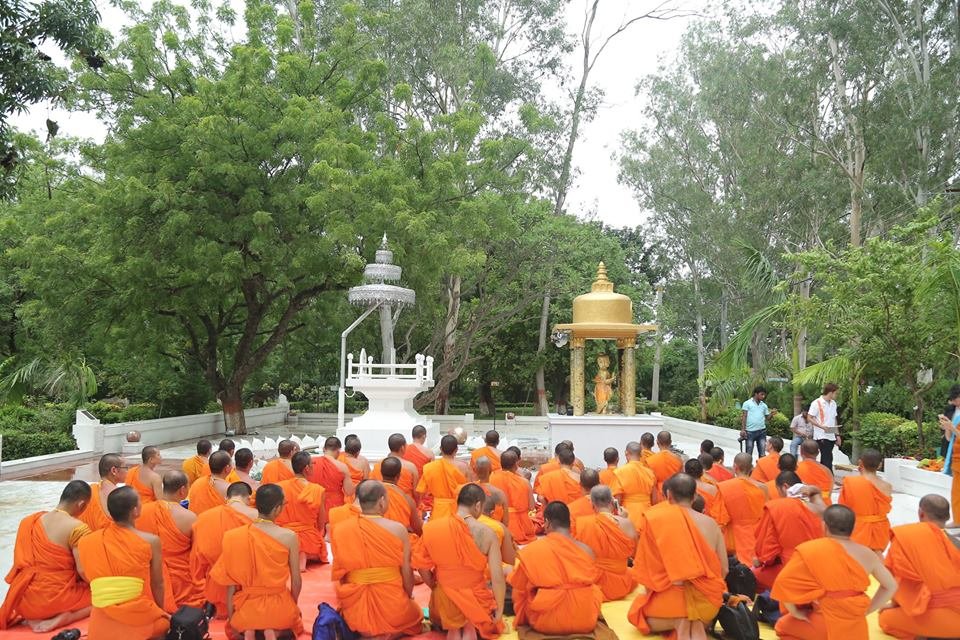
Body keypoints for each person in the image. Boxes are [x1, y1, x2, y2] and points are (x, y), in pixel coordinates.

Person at [772, 504, 897, 640]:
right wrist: (867, 610)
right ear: (854, 528)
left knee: (782, 626)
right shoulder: (868, 554)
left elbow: (784, 583)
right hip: (855, 627)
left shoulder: (812, 549)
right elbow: (891, 586)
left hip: (824, 621)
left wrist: (795, 612)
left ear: (824, 525)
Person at [628, 474, 727, 639]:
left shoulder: (657, 519)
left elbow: (647, 572)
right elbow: (723, 569)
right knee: (703, 617)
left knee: (637, 614)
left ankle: (677, 622)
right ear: (695, 496)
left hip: (669, 599)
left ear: (668, 496)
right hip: (707, 602)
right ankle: (695, 621)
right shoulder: (711, 524)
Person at [331, 480, 424, 638]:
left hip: (356, 607)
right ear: (382, 501)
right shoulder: (398, 529)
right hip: (392, 605)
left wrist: (347, 601)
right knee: (415, 616)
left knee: (355, 621)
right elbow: (406, 571)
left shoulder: (341, 529)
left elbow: (341, 573)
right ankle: (388, 633)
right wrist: (407, 596)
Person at [211, 484, 303, 639]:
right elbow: (296, 581)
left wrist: (232, 618)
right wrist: (292, 605)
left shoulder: (234, 536)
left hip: (246, 605)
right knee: (293, 626)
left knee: (245, 624)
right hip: (278, 604)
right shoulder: (289, 537)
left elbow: (231, 587)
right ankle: (271, 630)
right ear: (277, 509)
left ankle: (250, 629)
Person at [77, 486, 170, 639]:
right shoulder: (150, 541)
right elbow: (158, 583)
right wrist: (159, 612)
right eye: (139, 502)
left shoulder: (87, 541)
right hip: (136, 616)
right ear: (135, 511)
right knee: (164, 625)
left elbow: (87, 574)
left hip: (99, 623)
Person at [415, 484, 505, 640]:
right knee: (485, 619)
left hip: (443, 602)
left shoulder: (432, 527)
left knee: (448, 610)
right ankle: (468, 624)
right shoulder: (488, 533)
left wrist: (435, 586)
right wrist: (500, 609)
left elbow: (421, 566)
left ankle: (457, 627)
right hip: (476, 600)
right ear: (478, 505)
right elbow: (497, 578)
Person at [0, 480, 92, 632]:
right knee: (107, 597)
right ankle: (67, 618)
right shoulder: (77, 528)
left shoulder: (29, 521)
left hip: (23, 600)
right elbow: (83, 571)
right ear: (81, 504)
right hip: (52, 601)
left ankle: (38, 615)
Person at [511, 502, 605, 634]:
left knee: (522, 590)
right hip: (585, 619)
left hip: (546, 621)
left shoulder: (533, 550)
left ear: (547, 523)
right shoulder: (587, 550)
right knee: (594, 590)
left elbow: (519, 587)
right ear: (568, 523)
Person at [879, 494, 960, 639]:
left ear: (921, 513)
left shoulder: (907, 536)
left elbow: (897, 577)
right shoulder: (956, 542)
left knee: (886, 619)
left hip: (944, 615)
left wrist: (895, 604)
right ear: (947, 516)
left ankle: (928, 634)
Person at [135, 470, 204, 610]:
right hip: (180, 580)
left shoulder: (142, 512)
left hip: (148, 576)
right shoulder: (189, 517)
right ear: (183, 490)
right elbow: (196, 554)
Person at [190, 481, 258, 618]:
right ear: (248, 498)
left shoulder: (204, 517)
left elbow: (197, 557)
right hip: (247, 585)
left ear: (226, 498)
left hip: (216, 582)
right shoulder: (256, 516)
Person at [752, 471, 825, 591]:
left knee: (753, 575)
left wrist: (760, 561)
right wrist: (814, 490)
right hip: (816, 566)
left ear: (785, 487)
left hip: (788, 567)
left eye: (778, 490)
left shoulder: (778, 507)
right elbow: (820, 501)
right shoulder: (819, 509)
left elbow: (767, 548)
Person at [573, 485, 638, 601]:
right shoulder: (626, 523)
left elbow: (578, 554)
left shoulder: (584, 524)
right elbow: (635, 553)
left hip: (595, 582)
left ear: (592, 504)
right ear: (612, 502)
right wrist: (623, 518)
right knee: (633, 573)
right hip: (621, 584)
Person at [276, 451, 327, 568]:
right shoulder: (318, 490)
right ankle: (302, 554)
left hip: (284, 537)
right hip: (310, 539)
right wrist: (318, 534)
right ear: (307, 468)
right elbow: (321, 521)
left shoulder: (280, 487)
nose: (313, 467)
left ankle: (295, 554)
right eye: (312, 464)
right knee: (311, 544)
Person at [718, 452, 769, 564]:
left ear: (735, 467)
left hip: (732, 539)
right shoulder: (763, 488)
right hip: (757, 536)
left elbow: (720, 517)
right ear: (752, 468)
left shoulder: (723, 487)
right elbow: (767, 516)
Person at [838, 448, 892, 552]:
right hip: (880, 529)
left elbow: (843, 509)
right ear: (880, 465)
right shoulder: (887, 486)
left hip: (857, 529)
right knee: (876, 557)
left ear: (860, 463)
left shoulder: (851, 482)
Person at [416, 434, 470, 520]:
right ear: (456, 450)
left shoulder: (430, 467)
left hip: (438, 510)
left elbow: (421, 492)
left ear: (441, 449)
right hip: (458, 511)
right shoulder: (464, 467)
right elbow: (469, 491)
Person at [490, 450, 536, 544]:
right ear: (516, 464)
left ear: (501, 463)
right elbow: (532, 506)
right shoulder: (524, 482)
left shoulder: (491, 478)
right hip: (522, 527)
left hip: (498, 523)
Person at [614, 441, 658, 531]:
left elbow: (617, 499)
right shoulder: (650, 473)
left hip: (628, 513)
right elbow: (654, 499)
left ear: (626, 453)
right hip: (646, 512)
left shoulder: (620, 472)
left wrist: (617, 516)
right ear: (641, 454)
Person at [79, 453, 128, 531]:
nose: (127, 471)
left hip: (85, 539)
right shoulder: (119, 495)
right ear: (114, 470)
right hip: (107, 541)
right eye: (125, 467)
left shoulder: (89, 490)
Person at [307, 436, 355, 511]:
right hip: (334, 505)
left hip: (313, 501)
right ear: (338, 451)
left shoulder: (311, 463)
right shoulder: (342, 467)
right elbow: (349, 491)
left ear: (323, 449)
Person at [381, 456, 424, 537]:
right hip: (400, 540)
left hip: (376, 539)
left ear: (380, 472)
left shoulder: (371, 493)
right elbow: (418, 529)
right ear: (398, 476)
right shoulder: (407, 499)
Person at [371, 433, 420, 499]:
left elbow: (372, 486)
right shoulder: (411, 467)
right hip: (404, 503)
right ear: (402, 448)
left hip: (383, 502)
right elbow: (416, 493)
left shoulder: (378, 465)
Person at [684, 458, 729, 528]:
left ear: (685, 473)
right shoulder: (713, 489)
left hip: (686, 525)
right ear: (702, 472)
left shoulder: (682, 488)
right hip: (708, 526)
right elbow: (720, 517)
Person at [938, 385, 960, 523]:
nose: (955, 402)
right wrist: (947, 427)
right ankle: (957, 520)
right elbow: (948, 438)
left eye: (956, 399)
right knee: (956, 492)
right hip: (956, 456)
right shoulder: (952, 411)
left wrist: (952, 427)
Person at [808, 382, 841, 471]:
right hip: (821, 435)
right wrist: (821, 426)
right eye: (836, 393)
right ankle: (829, 477)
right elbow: (809, 418)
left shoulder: (833, 403)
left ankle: (822, 476)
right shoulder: (816, 403)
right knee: (827, 458)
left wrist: (837, 435)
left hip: (830, 434)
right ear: (830, 392)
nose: (837, 395)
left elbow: (834, 419)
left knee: (826, 458)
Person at [187, 450, 232, 515]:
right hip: (215, 523)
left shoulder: (197, 483)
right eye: (231, 463)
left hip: (196, 523)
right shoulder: (229, 489)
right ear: (227, 468)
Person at [472, 457, 509, 524]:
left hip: (473, 528)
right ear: (491, 470)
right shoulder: (499, 493)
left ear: (475, 470)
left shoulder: (468, 489)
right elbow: (505, 521)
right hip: (494, 529)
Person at [797, 438, 835, 505]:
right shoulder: (827, 470)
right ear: (818, 453)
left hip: (808, 507)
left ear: (801, 452)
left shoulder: (796, 468)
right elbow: (829, 491)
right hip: (826, 506)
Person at [740, 385, 775, 457]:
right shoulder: (747, 403)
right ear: (756, 394)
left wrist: (771, 414)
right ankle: (748, 468)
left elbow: (767, 418)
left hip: (762, 431)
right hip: (750, 432)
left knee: (762, 453)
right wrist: (743, 430)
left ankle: (761, 467)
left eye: (764, 394)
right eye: (761, 394)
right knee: (748, 453)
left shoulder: (764, 405)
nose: (763, 396)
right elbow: (744, 416)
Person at [567, 468, 601, 535]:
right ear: (599, 483)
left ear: (580, 484)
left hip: (580, 544)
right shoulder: (608, 506)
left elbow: (570, 535)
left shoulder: (571, 508)